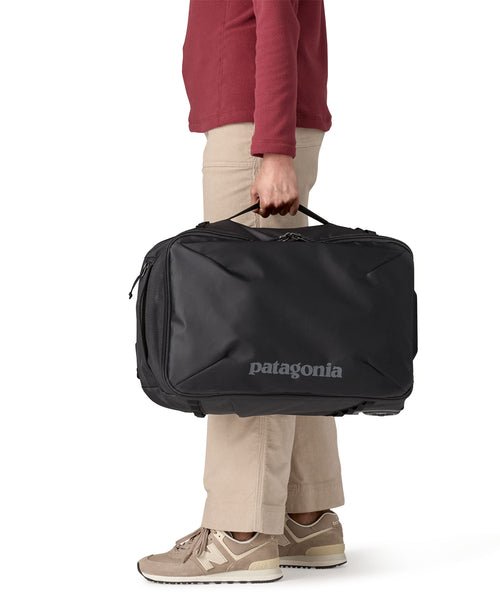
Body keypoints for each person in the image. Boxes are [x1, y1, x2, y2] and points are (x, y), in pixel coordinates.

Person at [137, 0, 345, 584]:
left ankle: (240, 532)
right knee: (283, 326)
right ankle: (306, 517)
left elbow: (276, 22)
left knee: (244, 335)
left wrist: (272, 149)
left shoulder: (264, 140)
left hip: (256, 131)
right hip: (265, 124)